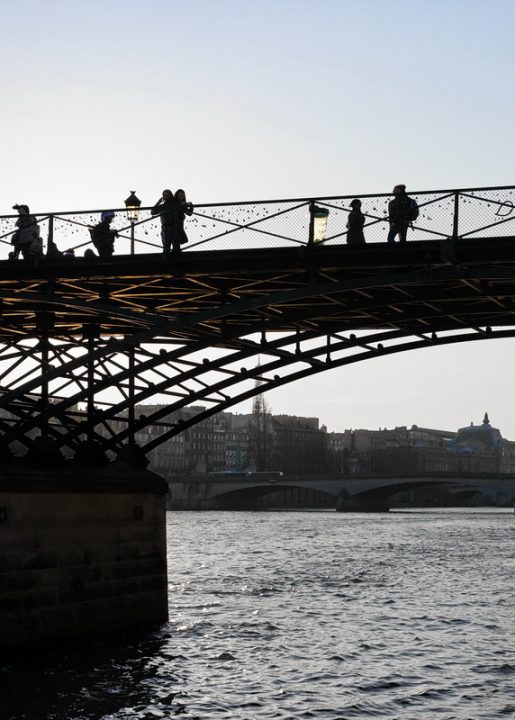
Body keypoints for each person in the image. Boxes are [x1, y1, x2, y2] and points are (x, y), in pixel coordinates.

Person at [151, 188, 194, 255]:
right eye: (164, 195)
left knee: (172, 249)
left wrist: (190, 206)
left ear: (170, 195)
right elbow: (152, 212)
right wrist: (159, 202)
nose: (165, 197)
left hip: (174, 229)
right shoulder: (164, 205)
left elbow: (189, 213)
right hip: (167, 229)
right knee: (169, 249)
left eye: (166, 195)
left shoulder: (176, 204)